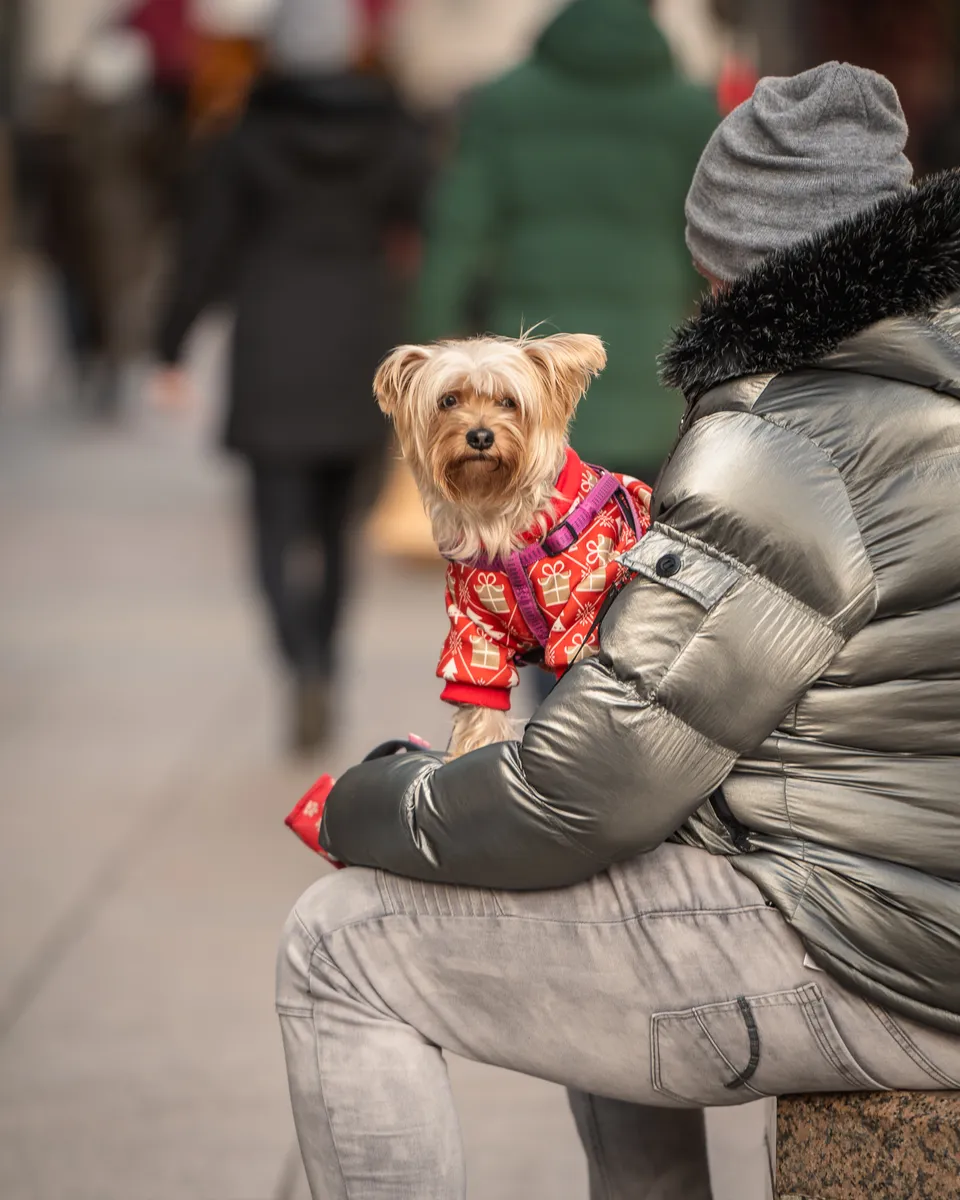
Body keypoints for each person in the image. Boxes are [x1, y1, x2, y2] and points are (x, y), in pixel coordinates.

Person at [276, 62, 960, 1199]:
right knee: (616, 884)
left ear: (731, 260)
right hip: (916, 900)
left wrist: (369, 799)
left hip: (884, 955)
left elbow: (583, 792)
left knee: (339, 942)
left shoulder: (782, 445)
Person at [155, 12, 427, 752]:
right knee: (339, 530)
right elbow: (432, 227)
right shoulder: (394, 135)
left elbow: (204, 247)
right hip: (361, 340)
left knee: (275, 528)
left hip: (272, 338)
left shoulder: (244, 139)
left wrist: (169, 343)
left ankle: (297, 659)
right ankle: (327, 663)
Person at [415, 0, 717, 489]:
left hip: (527, 397)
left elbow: (455, 238)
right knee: (641, 552)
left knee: (531, 559)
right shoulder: (691, 111)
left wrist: (433, 358)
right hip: (652, 388)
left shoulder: (502, 102)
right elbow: (709, 251)